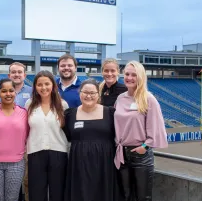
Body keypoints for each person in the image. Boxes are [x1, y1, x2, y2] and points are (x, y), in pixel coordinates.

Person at [114, 61, 168, 201]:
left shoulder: (148, 99)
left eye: (134, 75)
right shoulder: (120, 98)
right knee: (125, 196)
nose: (129, 78)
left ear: (141, 77)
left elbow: (156, 128)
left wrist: (144, 147)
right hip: (121, 154)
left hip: (140, 156)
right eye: (126, 74)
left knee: (142, 197)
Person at [63, 78, 118, 201]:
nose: (89, 96)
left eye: (92, 93)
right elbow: (67, 136)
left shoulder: (110, 113)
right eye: (85, 92)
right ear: (80, 93)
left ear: (98, 94)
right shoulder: (70, 114)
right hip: (79, 165)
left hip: (104, 165)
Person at [0, 78, 29, 201]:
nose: (8, 94)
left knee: (12, 198)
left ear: (15, 92)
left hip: (16, 163)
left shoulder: (24, 113)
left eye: (11, 91)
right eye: (4, 91)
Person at [25, 70, 69, 201]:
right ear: (35, 87)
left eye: (47, 84)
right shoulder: (29, 104)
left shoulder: (62, 105)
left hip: (58, 153)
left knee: (58, 192)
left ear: (53, 85)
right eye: (39, 84)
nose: (43, 88)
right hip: (35, 152)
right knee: (37, 192)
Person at [8, 62, 32, 201]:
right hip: (8, 143)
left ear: (25, 75)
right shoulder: (2, 91)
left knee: (28, 180)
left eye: (19, 72)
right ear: (9, 75)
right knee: (12, 183)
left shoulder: (32, 91)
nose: (16, 74)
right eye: (13, 72)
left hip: (27, 143)